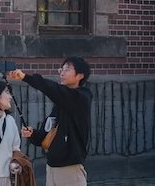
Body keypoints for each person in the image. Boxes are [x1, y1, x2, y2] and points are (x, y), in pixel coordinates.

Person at [8, 57, 93, 186]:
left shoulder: (81, 98)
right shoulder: (60, 104)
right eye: (61, 69)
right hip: (52, 167)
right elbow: (45, 134)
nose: (62, 73)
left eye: (67, 69)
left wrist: (26, 77)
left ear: (80, 76)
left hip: (70, 168)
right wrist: (33, 134)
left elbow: (54, 89)